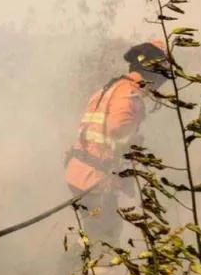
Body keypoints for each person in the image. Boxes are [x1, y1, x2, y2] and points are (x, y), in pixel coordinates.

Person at [63, 39, 169, 251]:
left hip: (79, 172)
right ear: (153, 73)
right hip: (94, 179)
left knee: (94, 233)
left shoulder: (112, 87)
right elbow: (116, 129)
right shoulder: (130, 95)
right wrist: (135, 147)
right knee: (105, 240)